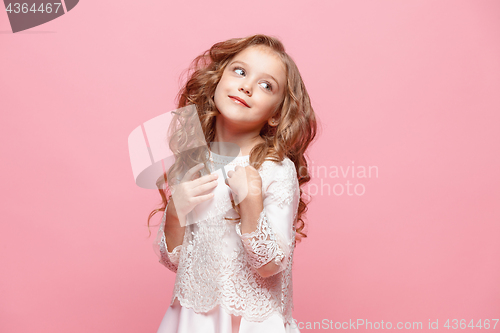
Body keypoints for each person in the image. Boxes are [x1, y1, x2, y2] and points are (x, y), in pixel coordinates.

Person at [148, 34, 318, 333]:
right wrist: (175, 212)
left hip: (249, 322)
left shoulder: (275, 169)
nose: (247, 86)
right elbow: (175, 262)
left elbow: (270, 265)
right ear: (216, 80)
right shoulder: (197, 160)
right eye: (240, 71)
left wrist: (251, 204)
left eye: (266, 85)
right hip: (191, 319)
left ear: (277, 115)